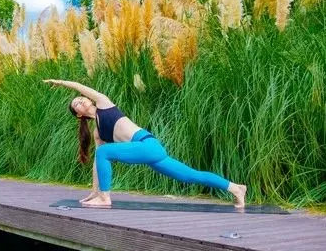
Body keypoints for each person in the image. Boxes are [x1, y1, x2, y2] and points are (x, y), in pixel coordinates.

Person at [43, 79, 247, 208]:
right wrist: (93, 192)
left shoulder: (104, 104)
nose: (82, 101)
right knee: (190, 175)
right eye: (77, 104)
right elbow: (98, 164)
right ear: (79, 115)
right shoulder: (98, 132)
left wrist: (62, 83)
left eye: (81, 99)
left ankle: (106, 198)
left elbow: (82, 87)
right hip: (149, 153)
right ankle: (236, 188)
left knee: (104, 152)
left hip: (148, 145)